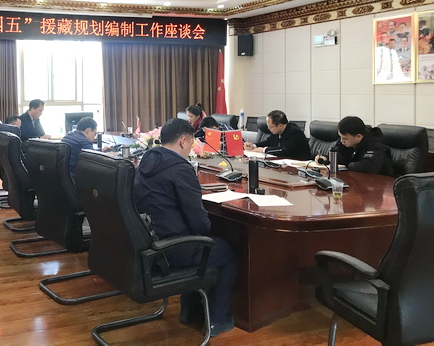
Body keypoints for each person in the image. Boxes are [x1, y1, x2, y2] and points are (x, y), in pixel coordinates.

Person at [133, 118, 237, 337]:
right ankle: (217, 319)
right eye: (191, 143)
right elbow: (198, 221)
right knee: (227, 252)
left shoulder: (147, 161)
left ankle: (188, 310)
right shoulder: (179, 169)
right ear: (182, 141)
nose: (190, 149)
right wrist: (209, 230)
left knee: (197, 241)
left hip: (151, 243)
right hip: (174, 249)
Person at [316, 116, 394, 176]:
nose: (341, 141)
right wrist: (326, 158)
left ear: (358, 136)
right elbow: (339, 156)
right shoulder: (347, 141)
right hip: (355, 179)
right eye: (340, 137)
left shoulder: (374, 144)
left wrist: (348, 164)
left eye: (345, 138)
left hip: (377, 183)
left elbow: (367, 167)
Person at [244, 110, 311, 160]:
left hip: (299, 164)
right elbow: (268, 142)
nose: (268, 128)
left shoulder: (295, 132)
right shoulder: (277, 131)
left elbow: (284, 150)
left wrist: (264, 150)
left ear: (280, 125)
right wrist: (254, 146)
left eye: (270, 127)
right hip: (283, 163)